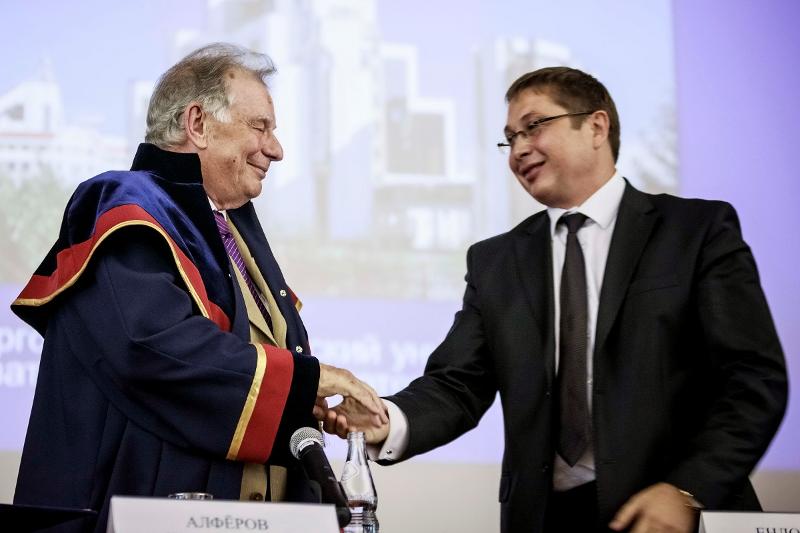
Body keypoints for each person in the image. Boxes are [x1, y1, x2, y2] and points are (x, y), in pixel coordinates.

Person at [319, 66, 788, 532]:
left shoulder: (694, 232)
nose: (519, 149)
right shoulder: (496, 261)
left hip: (674, 518)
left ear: (596, 127)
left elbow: (753, 381)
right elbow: (458, 384)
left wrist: (687, 490)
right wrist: (388, 419)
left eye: (534, 126)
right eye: (510, 138)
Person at [11, 43, 386, 533]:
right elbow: (152, 346)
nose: (276, 149)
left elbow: (251, 366)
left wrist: (305, 402)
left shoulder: (234, 231)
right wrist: (310, 379)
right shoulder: (124, 205)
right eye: (260, 127)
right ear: (197, 124)